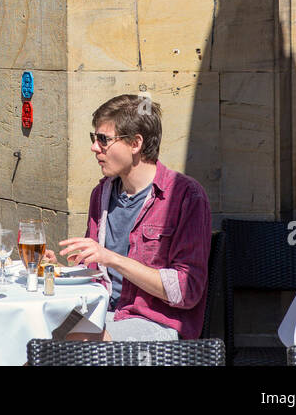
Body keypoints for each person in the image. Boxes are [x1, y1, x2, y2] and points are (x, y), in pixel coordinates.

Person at [59, 94, 211, 341]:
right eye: (94, 138)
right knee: (35, 329)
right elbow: (92, 268)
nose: (94, 147)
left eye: (103, 139)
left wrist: (113, 259)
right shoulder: (102, 194)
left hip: (155, 322)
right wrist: (60, 270)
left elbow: (186, 290)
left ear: (135, 144)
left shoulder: (186, 196)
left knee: (75, 338)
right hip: (102, 311)